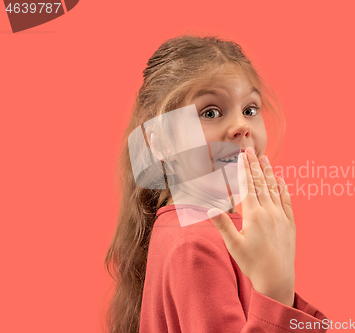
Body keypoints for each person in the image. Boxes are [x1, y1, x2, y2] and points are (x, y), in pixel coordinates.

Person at [104, 35, 329, 333]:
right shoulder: (196, 246)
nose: (242, 127)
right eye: (210, 112)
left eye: (250, 109)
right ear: (159, 143)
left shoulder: (182, 232)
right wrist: (276, 291)